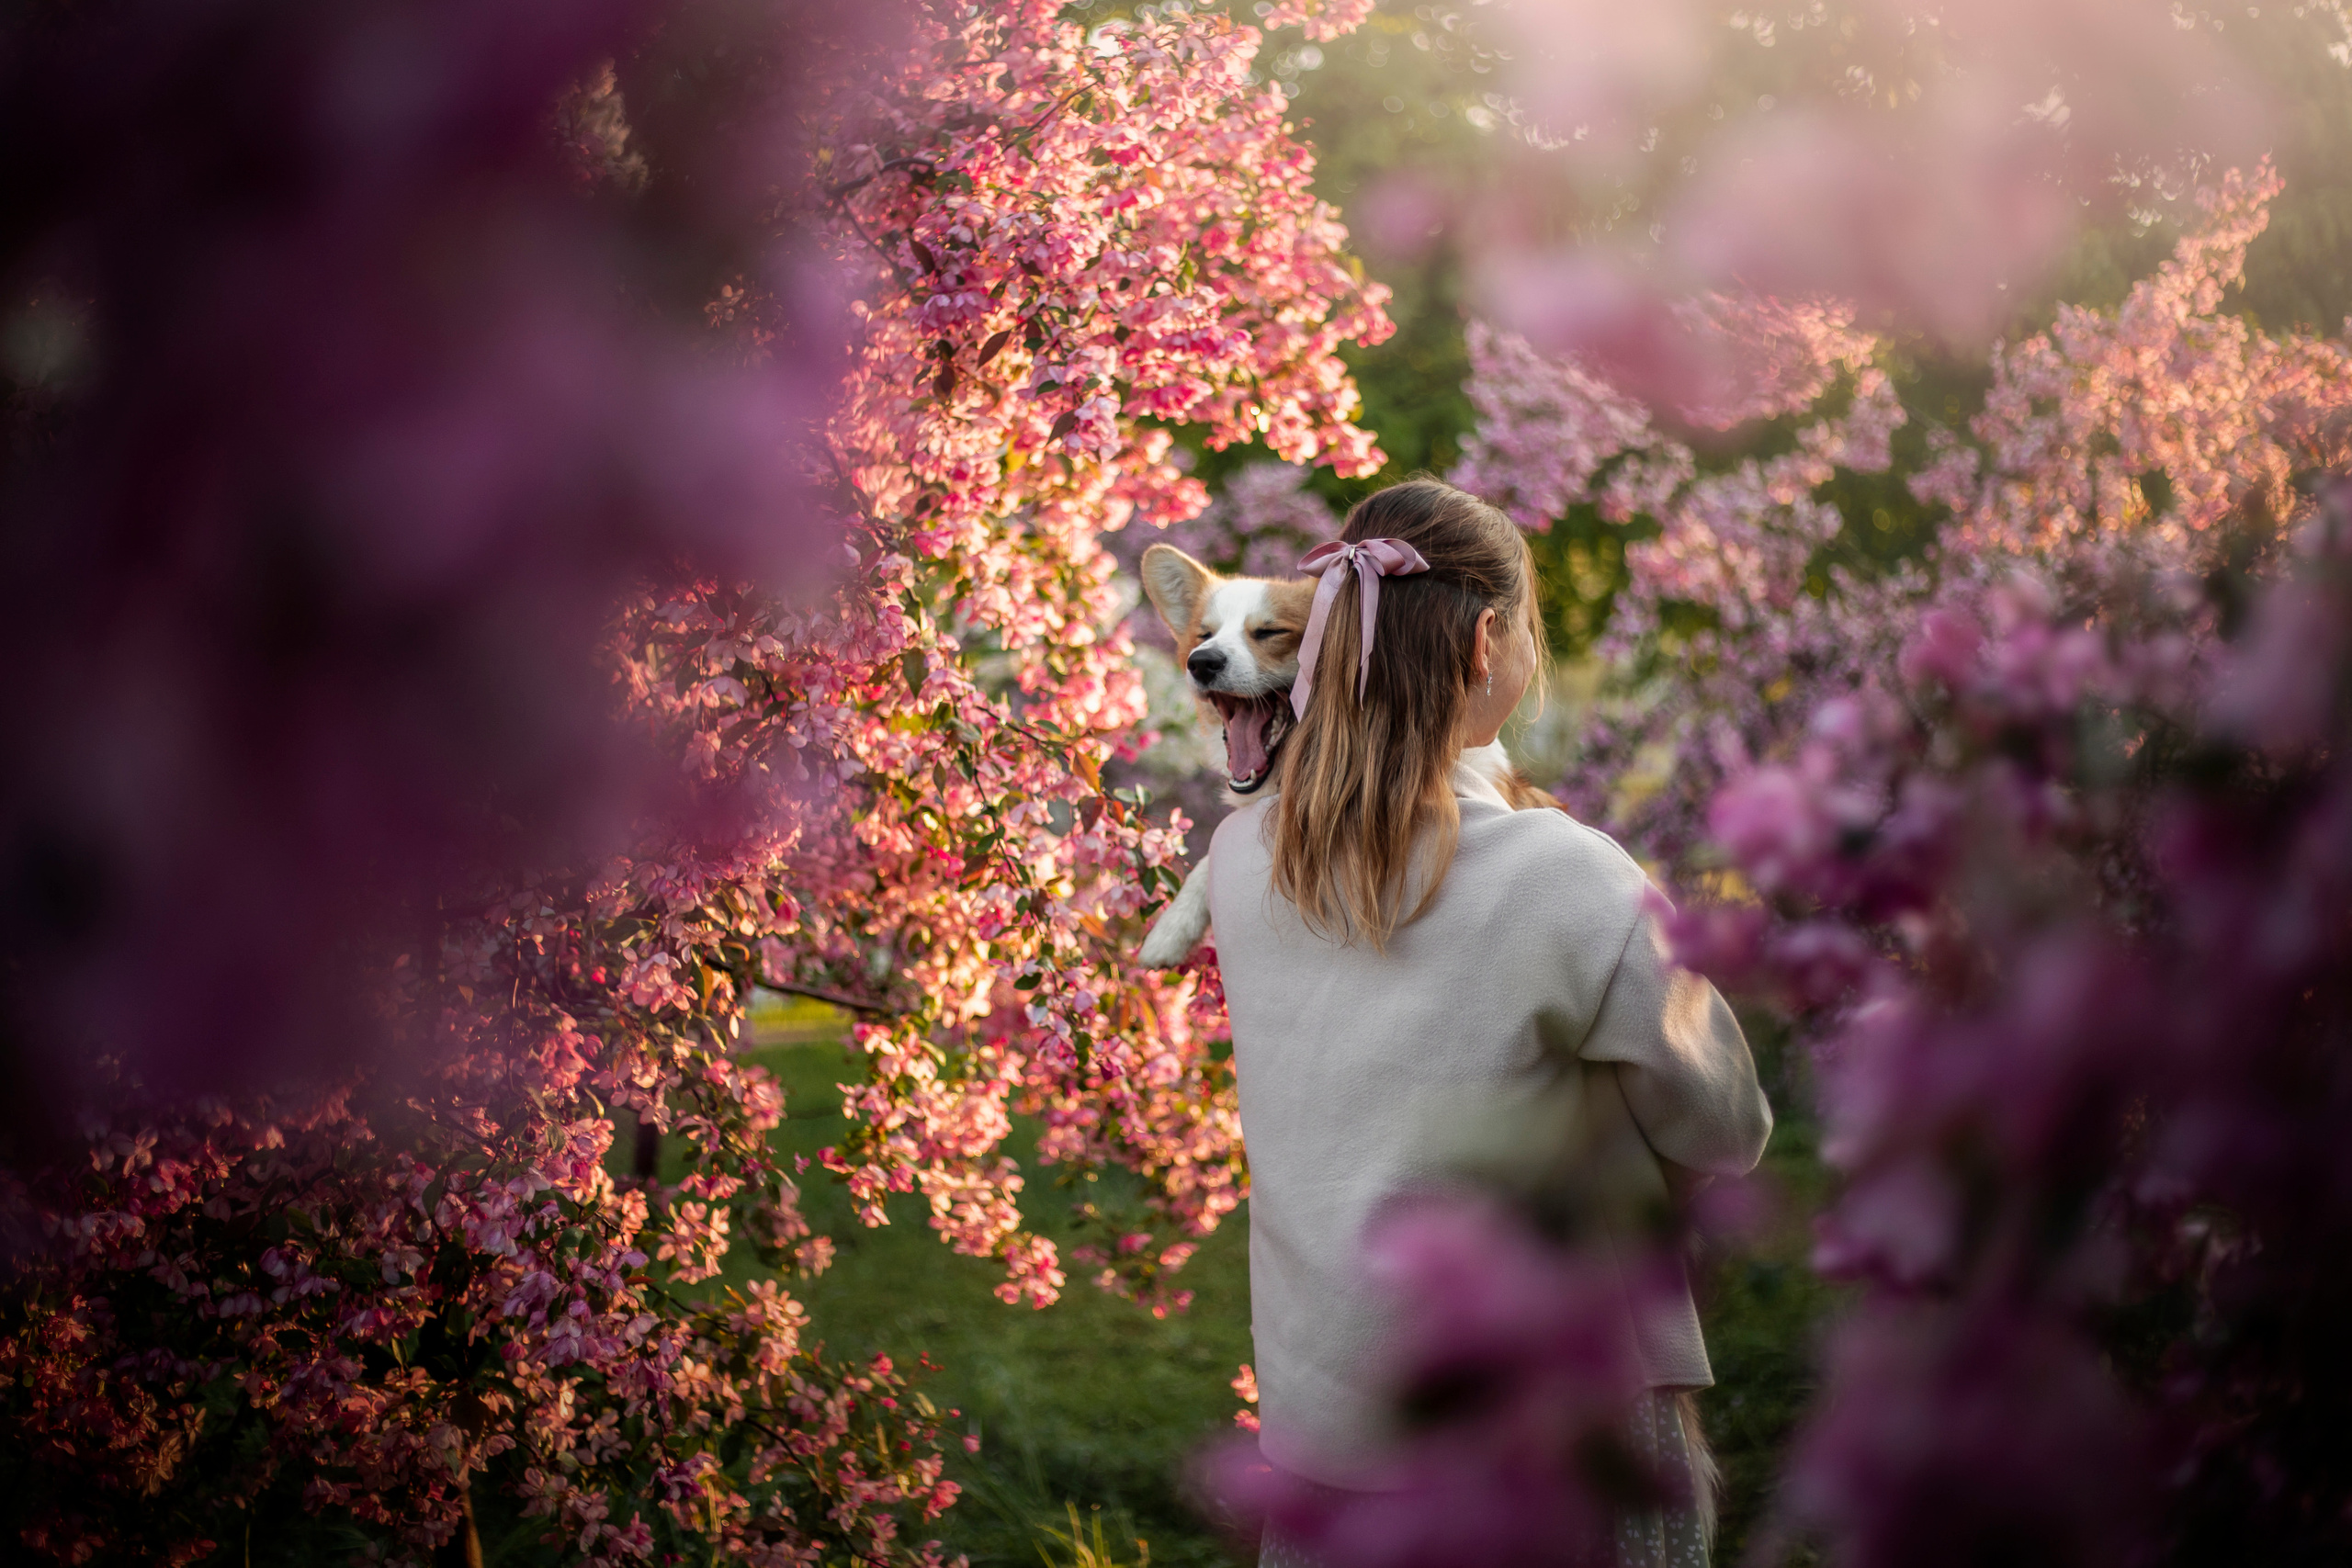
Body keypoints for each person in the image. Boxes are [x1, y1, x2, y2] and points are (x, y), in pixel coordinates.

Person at [1204, 479, 1774, 1567]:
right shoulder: (1563, 873)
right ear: (1482, 643)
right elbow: (1728, 1127)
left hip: (1333, 1420)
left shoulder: (1239, 863)